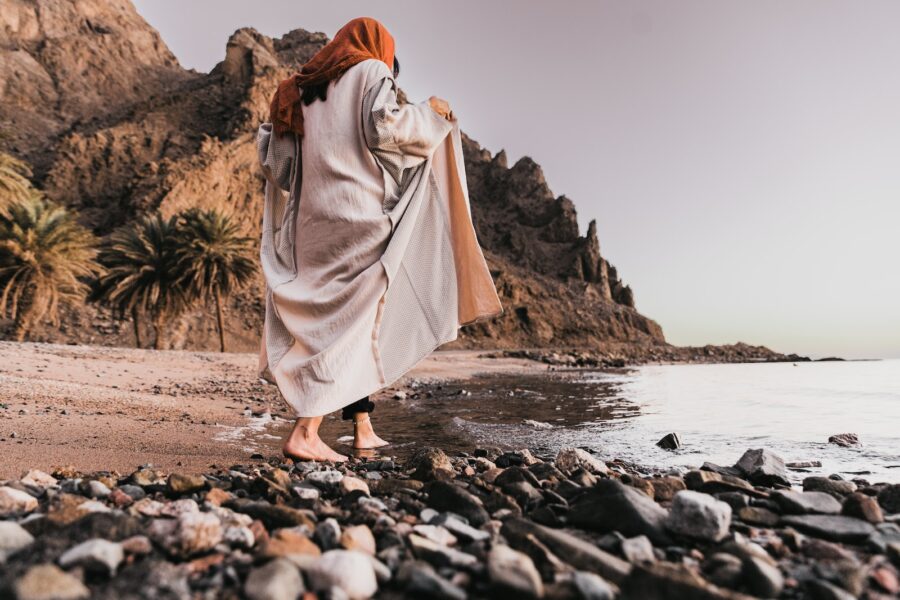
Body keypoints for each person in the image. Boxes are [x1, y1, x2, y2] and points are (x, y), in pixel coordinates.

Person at [257, 17, 501, 462]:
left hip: (311, 226)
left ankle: (361, 426)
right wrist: (429, 113)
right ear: (377, 48)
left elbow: (279, 164)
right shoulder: (370, 70)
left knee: (344, 320)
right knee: (353, 322)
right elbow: (384, 128)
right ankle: (305, 432)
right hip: (357, 217)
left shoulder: (301, 92)